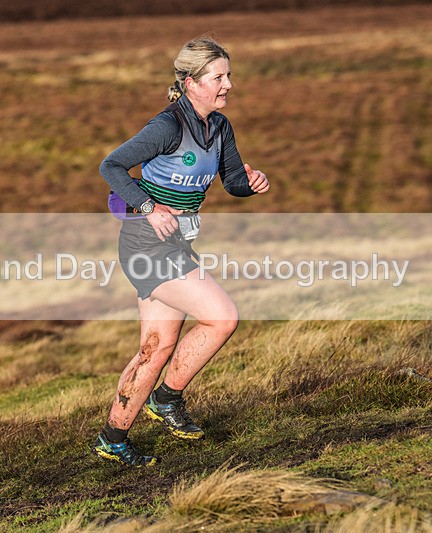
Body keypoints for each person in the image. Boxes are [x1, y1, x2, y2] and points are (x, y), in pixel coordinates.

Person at [93, 36, 270, 466]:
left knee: (156, 345)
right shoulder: (168, 126)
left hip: (176, 243)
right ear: (191, 82)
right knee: (223, 316)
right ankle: (167, 398)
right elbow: (111, 166)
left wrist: (253, 182)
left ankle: (113, 439)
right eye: (218, 77)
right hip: (145, 244)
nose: (227, 84)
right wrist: (149, 207)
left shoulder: (220, 127)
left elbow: (231, 182)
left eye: (228, 75)